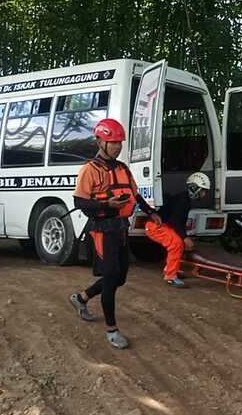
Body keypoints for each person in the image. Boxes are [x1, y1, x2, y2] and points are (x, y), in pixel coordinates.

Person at [68, 118, 153, 349]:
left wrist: (151, 212)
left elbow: (135, 195)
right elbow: (80, 202)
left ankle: (82, 297)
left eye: (119, 143)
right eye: (112, 142)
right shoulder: (89, 170)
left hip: (121, 228)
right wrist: (107, 206)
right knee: (110, 277)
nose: (117, 146)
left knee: (119, 277)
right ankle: (111, 330)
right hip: (102, 230)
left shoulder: (123, 168)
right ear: (99, 141)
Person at [145, 172, 211, 288]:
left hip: (162, 225)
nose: (204, 194)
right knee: (176, 243)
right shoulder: (182, 200)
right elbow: (175, 221)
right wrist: (185, 238)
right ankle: (170, 277)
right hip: (154, 226)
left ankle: (170, 269)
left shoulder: (184, 199)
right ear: (194, 188)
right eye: (203, 191)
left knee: (179, 242)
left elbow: (178, 222)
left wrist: (184, 237)